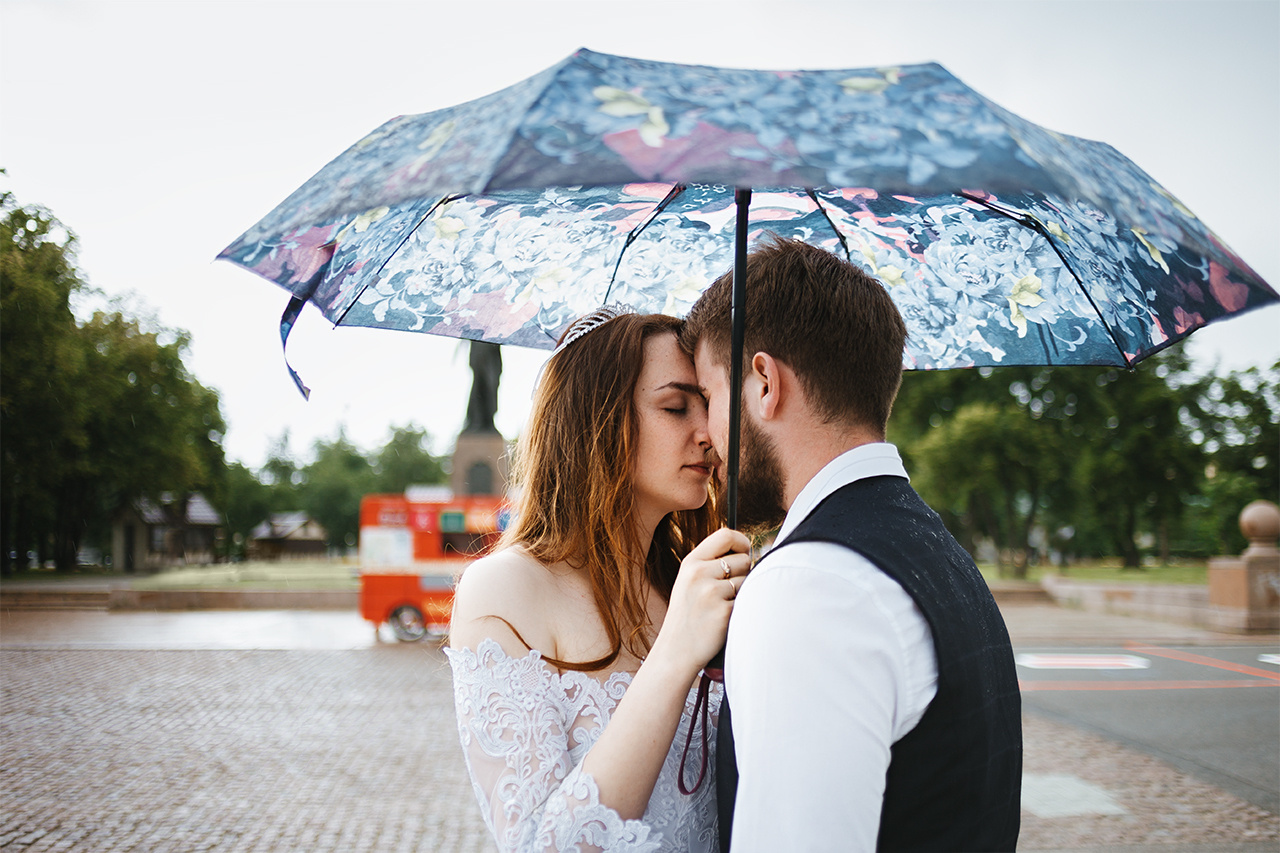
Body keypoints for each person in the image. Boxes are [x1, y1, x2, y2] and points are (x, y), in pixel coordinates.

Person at [681, 237, 1023, 853]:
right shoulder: (936, 549)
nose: (705, 434)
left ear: (764, 382)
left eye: (707, 397)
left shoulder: (811, 585)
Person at [447, 308, 752, 853]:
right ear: (597, 419)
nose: (707, 433)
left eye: (707, 406)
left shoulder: (695, 581)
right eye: (676, 407)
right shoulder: (504, 591)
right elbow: (546, 845)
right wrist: (676, 653)